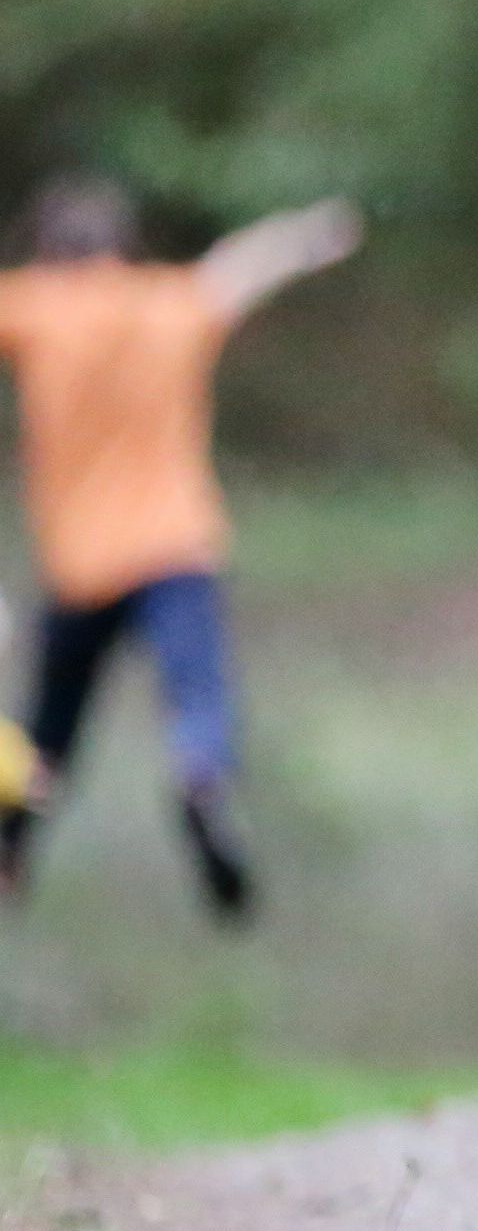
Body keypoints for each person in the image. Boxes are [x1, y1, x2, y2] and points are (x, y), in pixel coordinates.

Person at [0, 179, 366, 918]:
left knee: (52, 723)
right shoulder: (168, 303)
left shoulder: (35, 306)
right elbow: (240, 267)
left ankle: (9, 851)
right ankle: (203, 784)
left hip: (81, 562)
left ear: (47, 250)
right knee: (200, 694)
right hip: (176, 544)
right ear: (123, 248)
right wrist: (309, 232)